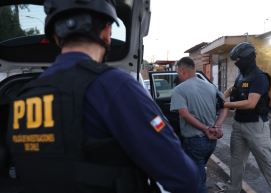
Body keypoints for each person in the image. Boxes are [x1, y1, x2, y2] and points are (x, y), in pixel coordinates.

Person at [6, 0, 201, 193]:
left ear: (55, 36)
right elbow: (183, 177)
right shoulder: (113, 86)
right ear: (107, 32)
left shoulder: (22, 98)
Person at [223, 42, 271, 193]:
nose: (236, 63)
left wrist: (224, 105)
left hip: (256, 126)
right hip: (238, 124)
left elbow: (251, 103)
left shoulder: (259, 77)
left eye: (237, 60)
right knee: (236, 160)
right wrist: (222, 96)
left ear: (247, 58)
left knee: (267, 163)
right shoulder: (242, 75)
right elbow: (234, 89)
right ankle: (234, 189)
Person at [170, 57, 228, 193]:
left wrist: (206, 128)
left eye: (178, 73)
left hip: (194, 141)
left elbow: (184, 114)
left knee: (195, 179)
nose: (178, 75)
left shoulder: (179, 89)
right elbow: (225, 106)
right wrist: (217, 126)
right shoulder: (210, 86)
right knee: (199, 171)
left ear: (182, 71)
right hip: (211, 142)